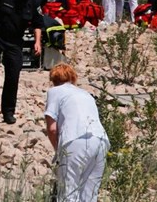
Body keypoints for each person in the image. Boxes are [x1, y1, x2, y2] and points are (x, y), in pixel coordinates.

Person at [44, 63, 109, 202]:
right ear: (73, 78)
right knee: (90, 195)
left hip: (74, 140)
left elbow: (52, 128)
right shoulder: (85, 93)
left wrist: (58, 152)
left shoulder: (54, 92)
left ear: (53, 80)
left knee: (68, 193)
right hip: (100, 140)